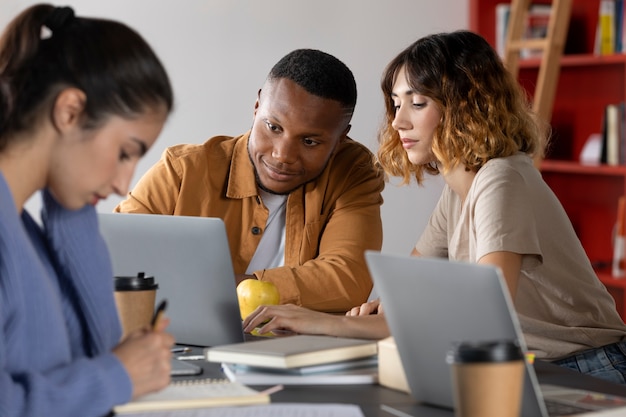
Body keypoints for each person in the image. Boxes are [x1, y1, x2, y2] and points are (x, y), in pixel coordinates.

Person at [242, 30, 626, 384]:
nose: (398, 122)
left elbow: (483, 319)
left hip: (587, 367)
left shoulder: (501, 180)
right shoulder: (458, 191)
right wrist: (367, 313)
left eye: (418, 103)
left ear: (467, 106)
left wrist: (324, 323)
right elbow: (405, 302)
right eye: (395, 104)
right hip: (529, 366)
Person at [0, 4, 176, 416]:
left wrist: (72, 218)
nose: (124, 185)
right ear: (70, 111)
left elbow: (92, 359)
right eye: (124, 153)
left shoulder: (27, 228)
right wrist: (117, 375)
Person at [115, 48, 385, 312]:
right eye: (273, 127)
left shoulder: (353, 171)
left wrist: (225, 289)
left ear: (340, 139)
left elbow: (348, 278)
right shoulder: (181, 171)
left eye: (310, 141)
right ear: (257, 107)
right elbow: (111, 255)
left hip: (289, 352)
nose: (282, 155)